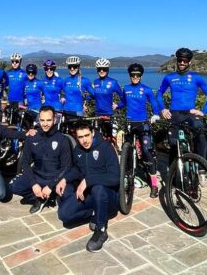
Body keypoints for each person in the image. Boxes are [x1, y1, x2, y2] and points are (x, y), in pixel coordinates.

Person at [56, 120, 119, 252]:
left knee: (98, 188)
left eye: (86, 135)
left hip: (108, 197)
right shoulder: (78, 150)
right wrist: (64, 179)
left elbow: (115, 178)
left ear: (92, 133)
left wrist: (88, 180)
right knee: (64, 215)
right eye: (80, 137)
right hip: (90, 195)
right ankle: (95, 212)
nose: (84, 140)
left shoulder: (106, 147)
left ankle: (101, 231)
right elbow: (77, 170)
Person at [9, 106, 72, 213]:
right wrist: (33, 184)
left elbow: (66, 166)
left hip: (55, 178)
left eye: (48, 120)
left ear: (54, 120)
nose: (45, 124)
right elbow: (25, 162)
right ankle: (41, 197)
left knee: (67, 202)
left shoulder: (62, 139)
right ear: (39, 120)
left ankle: (50, 195)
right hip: (37, 176)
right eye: (42, 120)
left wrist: (50, 186)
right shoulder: (32, 136)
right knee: (13, 187)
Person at [156, 48, 207, 159]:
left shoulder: (196, 77)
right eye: (180, 60)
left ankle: (202, 165)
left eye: (185, 61)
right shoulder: (169, 77)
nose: (182, 63)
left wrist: (203, 111)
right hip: (174, 113)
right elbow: (159, 93)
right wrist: (163, 109)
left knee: (200, 134)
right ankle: (175, 169)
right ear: (177, 61)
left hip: (190, 113)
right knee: (174, 144)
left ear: (189, 62)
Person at [117, 63, 161, 198]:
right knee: (127, 149)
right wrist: (116, 106)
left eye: (137, 75)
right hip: (130, 123)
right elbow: (123, 102)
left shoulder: (146, 89)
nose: (135, 77)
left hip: (143, 123)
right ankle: (129, 173)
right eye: (132, 75)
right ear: (130, 76)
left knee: (147, 151)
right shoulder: (126, 89)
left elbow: (154, 102)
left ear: (141, 76)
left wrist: (156, 114)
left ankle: (154, 184)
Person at [92, 58, 123, 140]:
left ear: (108, 69)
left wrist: (118, 105)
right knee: (97, 139)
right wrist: (82, 97)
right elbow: (94, 96)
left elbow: (123, 97)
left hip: (109, 115)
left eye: (104, 69)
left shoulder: (113, 82)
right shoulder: (96, 82)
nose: (101, 71)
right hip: (97, 114)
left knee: (110, 139)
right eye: (99, 69)